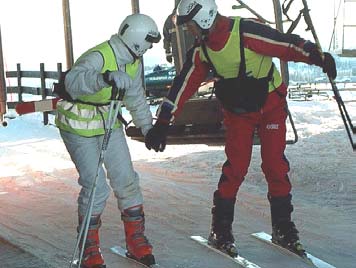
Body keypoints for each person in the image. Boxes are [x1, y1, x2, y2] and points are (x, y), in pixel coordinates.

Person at [145, 0, 337, 258]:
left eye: (190, 25)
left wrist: (317, 56)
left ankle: (283, 227)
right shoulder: (203, 50)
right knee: (236, 167)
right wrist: (162, 122)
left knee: (274, 165)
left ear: (203, 19)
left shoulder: (246, 32)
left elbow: (284, 45)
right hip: (238, 113)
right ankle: (220, 229)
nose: (189, 31)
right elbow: (183, 84)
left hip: (270, 104)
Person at [55, 14, 161, 268]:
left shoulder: (133, 62)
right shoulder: (100, 56)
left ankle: (136, 241)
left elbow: (135, 96)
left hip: (107, 121)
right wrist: (104, 78)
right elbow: (74, 81)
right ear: (136, 40)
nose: (149, 48)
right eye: (148, 43)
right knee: (96, 187)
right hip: (78, 126)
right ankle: (88, 248)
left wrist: (148, 129)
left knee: (127, 180)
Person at [163, 4, 196, 73]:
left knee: (190, 73)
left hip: (191, 54)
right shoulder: (169, 21)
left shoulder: (192, 17)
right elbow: (166, 39)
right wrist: (168, 53)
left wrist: (168, 53)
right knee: (183, 74)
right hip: (180, 56)